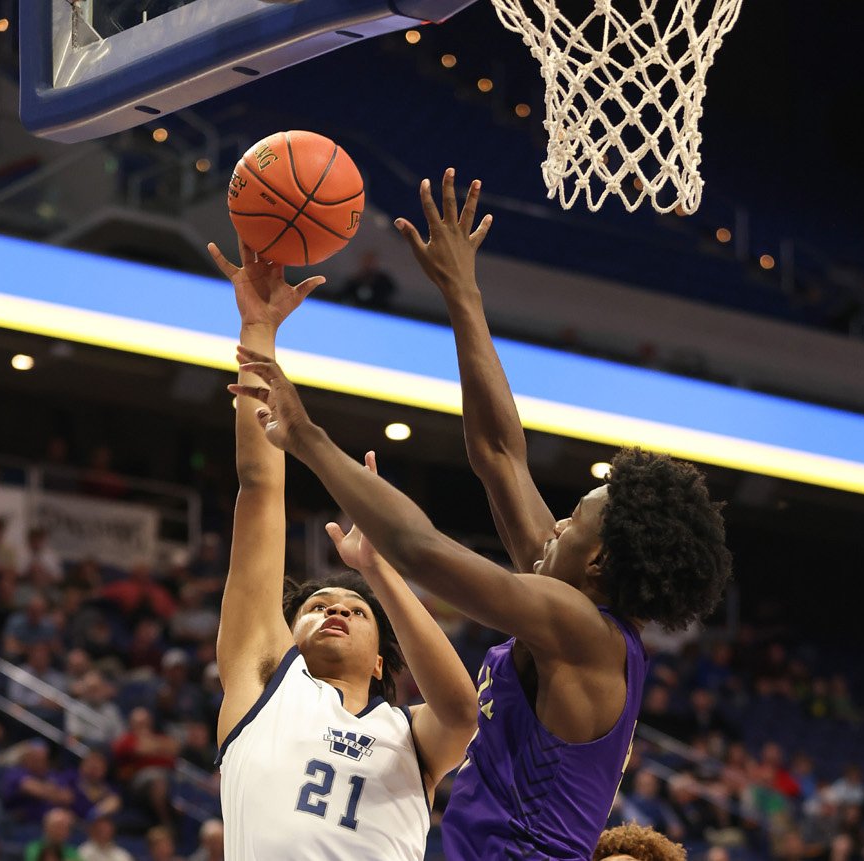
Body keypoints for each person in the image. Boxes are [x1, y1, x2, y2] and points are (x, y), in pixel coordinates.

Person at [230, 177, 732, 860]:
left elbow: (422, 548)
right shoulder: (570, 606)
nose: (553, 524)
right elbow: (498, 454)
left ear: (601, 560)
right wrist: (462, 294)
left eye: (575, 517)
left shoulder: (581, 630)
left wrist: (311, 437)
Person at [207, 237, 476, 860]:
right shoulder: (264, 681)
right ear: (288, 634)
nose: (334, 611)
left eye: (354, 614)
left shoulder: (409, 733)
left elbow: (462, 711)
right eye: (318, 607)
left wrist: (380, 573)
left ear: (383, 663)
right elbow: (259, 487)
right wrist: (256, 331)